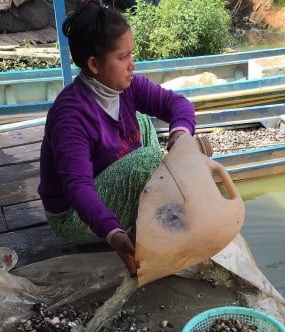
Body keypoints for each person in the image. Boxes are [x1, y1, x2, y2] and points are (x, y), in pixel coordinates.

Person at [38, 0, 196, 275]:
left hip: (107, 177)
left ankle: (145, 211)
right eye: (123, 58)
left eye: (131, 55)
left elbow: (178, 105)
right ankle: (141, 226)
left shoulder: (126, 88)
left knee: (145, 122)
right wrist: (113, 232)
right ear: (94, 64)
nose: (132, 66)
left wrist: (180, 134)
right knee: (148, 161)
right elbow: (78, 187)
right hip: (74, 215)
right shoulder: (70, 116)